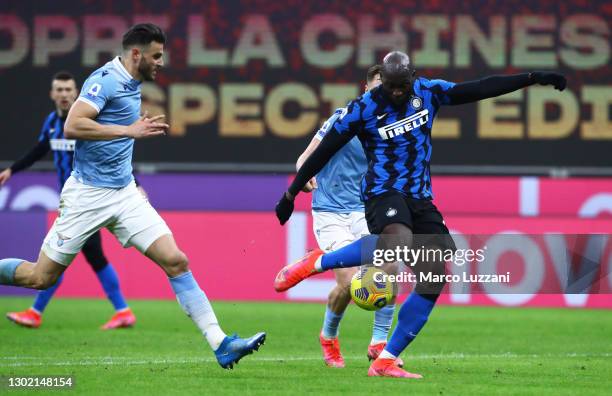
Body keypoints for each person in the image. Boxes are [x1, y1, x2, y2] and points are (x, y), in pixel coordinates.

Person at [274, 51, 566, 378]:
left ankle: (385, 359)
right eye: (391, 87)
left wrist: (530, 78)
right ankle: (318, 262)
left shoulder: (428, 91)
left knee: (435, 272)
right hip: (382, 192)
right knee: (396, 241)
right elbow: (323, 150)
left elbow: (481, 88)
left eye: (403, 86)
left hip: (420, 197)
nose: (397, 93)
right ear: (382, 81)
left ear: (412, 78)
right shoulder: (363, 108)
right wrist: (290, 192)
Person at [0, 23, 265, 369]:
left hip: (124, 194)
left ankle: (221, 344)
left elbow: (113, 134)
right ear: (136, 54)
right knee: (41, 277)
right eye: (156, 56)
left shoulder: (133, 82)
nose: (161, 63)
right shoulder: (104, 80)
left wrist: (129, 145)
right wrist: (129, 130)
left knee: (176, 260)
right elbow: (73, 125)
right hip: (87, 197)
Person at [0, 71, 136, 330]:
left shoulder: (86, 122)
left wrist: (136, 186)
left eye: (68, 90)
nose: (64, 94)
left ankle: (36, 312)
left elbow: (114, 155)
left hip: (90, 199)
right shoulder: (52, 123)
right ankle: (122, 310)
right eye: (59, 90)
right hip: (72, 203)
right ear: (52, 94)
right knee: (89, 257)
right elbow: (38, 150)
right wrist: (12, 170)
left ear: (76, 93)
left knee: (59, 257)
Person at [296, 65, 402, 368]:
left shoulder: (395, 126)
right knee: (349, 281)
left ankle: (379, 343)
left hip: (366, 209)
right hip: (330, 210)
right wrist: (303, 175)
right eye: (379, 85)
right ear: (366, 89)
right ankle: (328, 336)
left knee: (389, 265)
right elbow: (306, 155)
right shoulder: (343, 119)